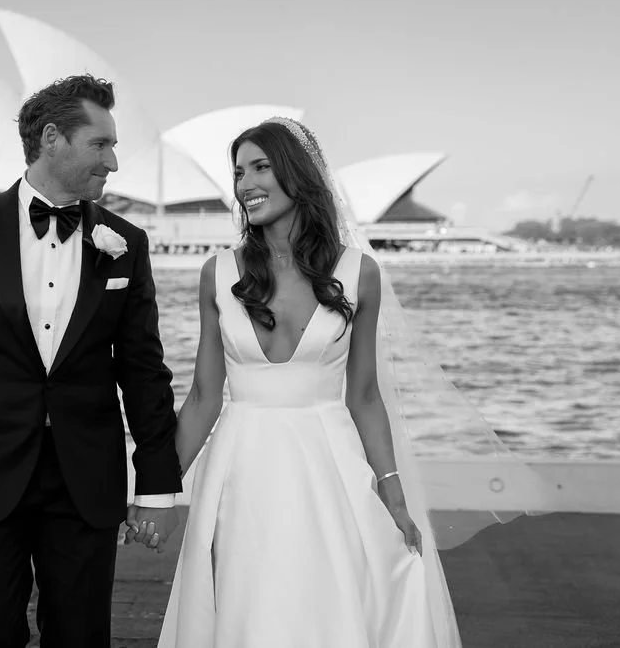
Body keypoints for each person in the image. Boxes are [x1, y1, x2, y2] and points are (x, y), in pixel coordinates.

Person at [0, 74, 183, 648]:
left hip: (85, 482)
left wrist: (157, 487)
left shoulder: (127, 242)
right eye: (102, 144)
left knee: (81, 636)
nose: (114, 162)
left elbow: (144, 373)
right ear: (52, 138)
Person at [155, 117, 462, 647]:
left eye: (260, 167)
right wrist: (156, 492)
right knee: (245, 603)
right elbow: (204, 397)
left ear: (297, 175)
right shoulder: (217, 274)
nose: (245, 183)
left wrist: (393, 496)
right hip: (241, 468)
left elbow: (364, 395)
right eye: (238, 172)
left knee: (334, 600)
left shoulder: (359, 272)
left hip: (330, 468)